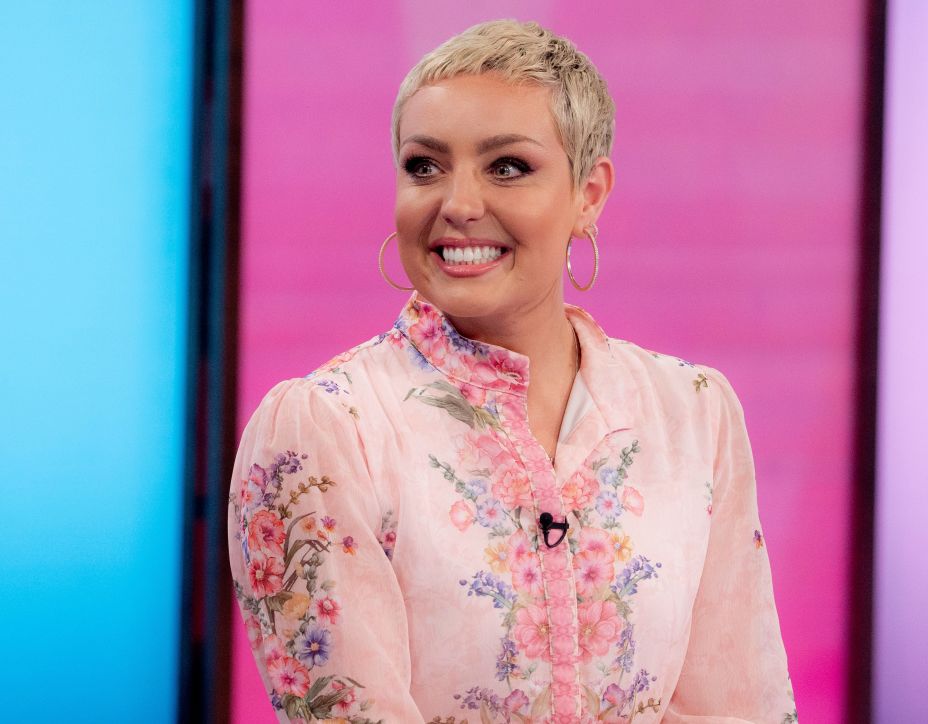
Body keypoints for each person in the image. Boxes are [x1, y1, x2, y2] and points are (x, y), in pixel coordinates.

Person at [227, 19, 797, 724]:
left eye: (507, 167)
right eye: (424, 166)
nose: (458, 204)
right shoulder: (326, 427)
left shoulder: (694, 413)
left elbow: (741, 706)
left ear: (589, 195)